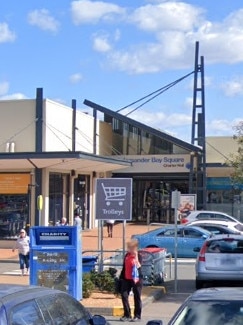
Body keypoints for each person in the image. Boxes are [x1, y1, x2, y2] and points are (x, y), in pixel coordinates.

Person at [120, 240, 143, 322]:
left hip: (136, 280)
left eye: (130, 248)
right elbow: (124, 267)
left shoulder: (139, 256)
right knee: (124, 295)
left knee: (137, 296)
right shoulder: (127, 255)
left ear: (135, 248)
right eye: (128, 247)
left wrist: (136, 256)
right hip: (126, 278)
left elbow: (138, 266)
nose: (128, 249)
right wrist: (121, 278)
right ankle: (127, 314)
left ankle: (137, 315)